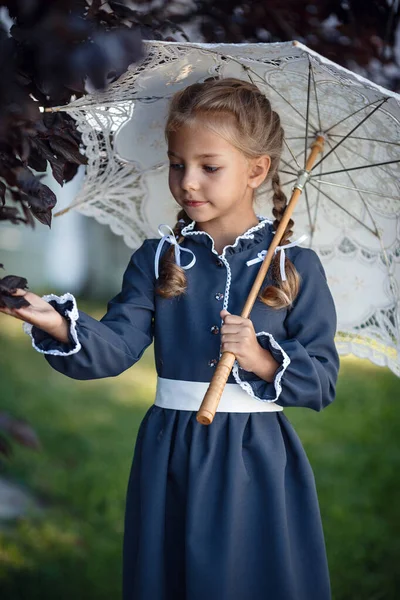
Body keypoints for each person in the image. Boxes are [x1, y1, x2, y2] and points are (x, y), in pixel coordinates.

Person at [0, 78, 339, 600]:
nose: (188, 182)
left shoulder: (293, 268)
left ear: (257, 170)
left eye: (209, 166)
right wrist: (53, 321)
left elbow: (322, 381)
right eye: (178, 164)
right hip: (171, 448)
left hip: (256, 457)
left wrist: (260, 358)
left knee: (251, 577)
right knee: (173, 575)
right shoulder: (160, 259)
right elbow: (115, 346)